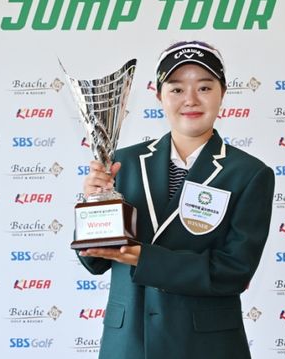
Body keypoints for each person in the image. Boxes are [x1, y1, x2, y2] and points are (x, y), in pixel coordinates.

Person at [79, 41, 274, 359]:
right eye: (177, 89)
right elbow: (95, 261)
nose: (191, 100)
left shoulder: (248, 173)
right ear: (159, 96)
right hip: (129, 343)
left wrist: (143, 258)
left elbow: (234, 271)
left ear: (223, 93)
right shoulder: (123, 162)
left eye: (204, 87)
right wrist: (94, 203)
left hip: (205, 347)